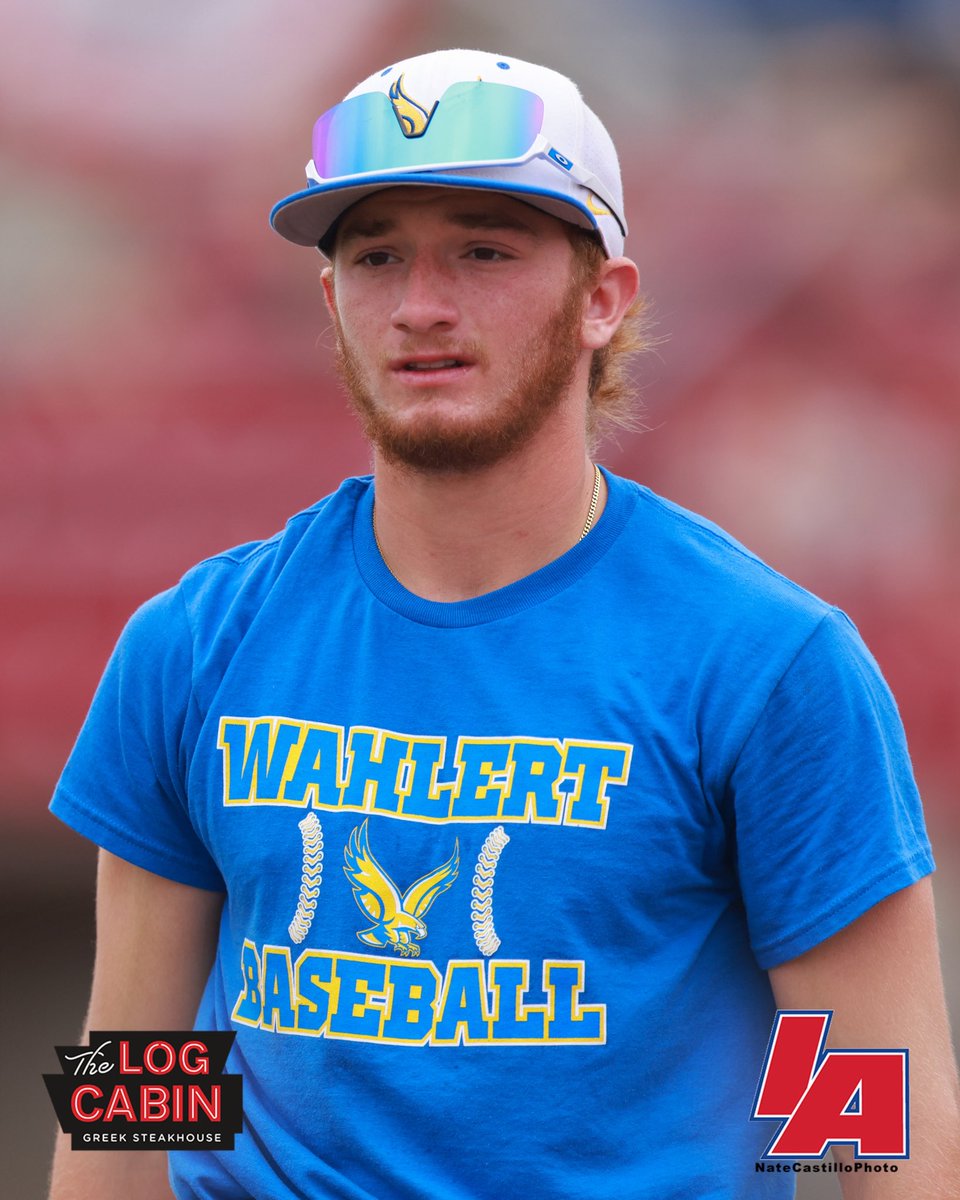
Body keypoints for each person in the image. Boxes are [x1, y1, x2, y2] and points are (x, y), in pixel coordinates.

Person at [48, 48, 959, 1200]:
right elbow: (139, 1071)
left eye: (484, 250)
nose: (423, 305)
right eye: (377, 257)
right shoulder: (193, 643)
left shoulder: (764, 666)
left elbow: (881, 1119)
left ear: (602, 300)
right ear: (333, 302)